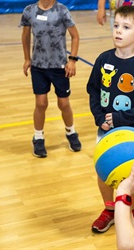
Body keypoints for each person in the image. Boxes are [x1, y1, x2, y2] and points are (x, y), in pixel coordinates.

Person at [87, 6, 134, 233]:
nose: (118, 31)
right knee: (104, 170)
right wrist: (100, 117)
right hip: (106, 131)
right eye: (116, 25)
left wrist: (121, 118)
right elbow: (93, 91)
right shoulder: (103, 59)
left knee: (133, 175)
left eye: (126, 27)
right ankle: (110, 209)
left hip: (132, 134)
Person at [20, 0, 82, 158]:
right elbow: (25, 36)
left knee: (64, 103)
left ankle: (71, 132)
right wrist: (27, 59)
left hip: (59, 67)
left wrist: (72, 60)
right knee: (41, 103)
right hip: (38, 67)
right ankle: (38, 137)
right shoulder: (29, 10)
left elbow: (75, 36)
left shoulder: (62, 10)